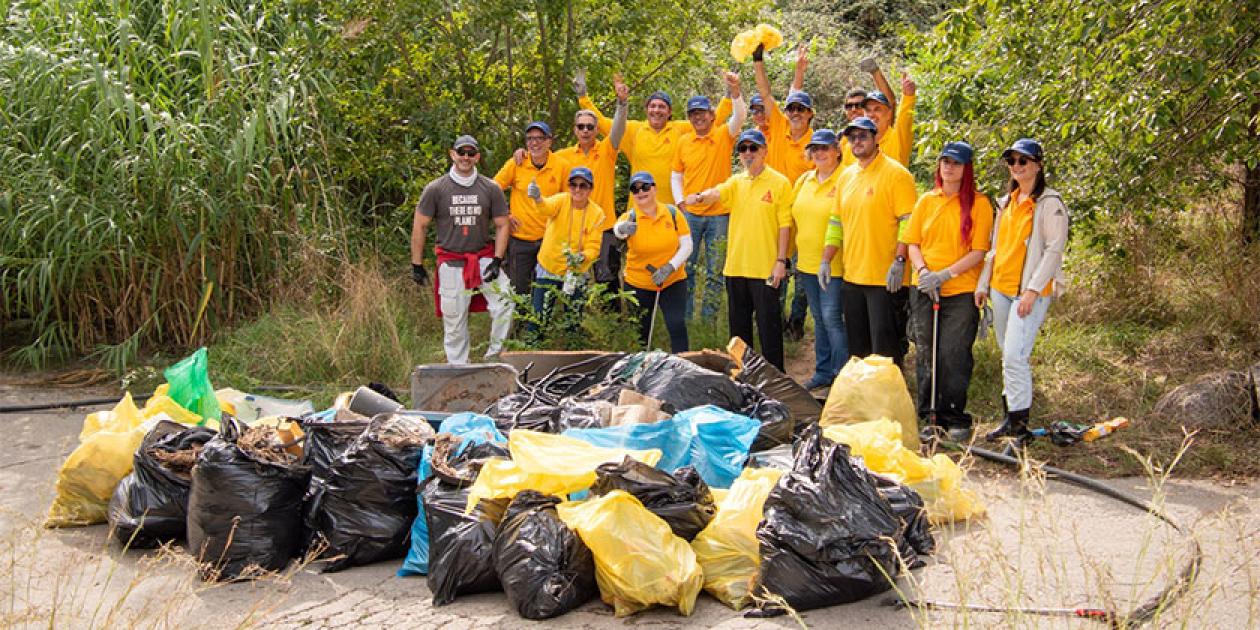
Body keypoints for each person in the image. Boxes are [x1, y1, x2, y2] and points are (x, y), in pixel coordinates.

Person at [978, 138, 1070, 443]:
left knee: (1016, 356)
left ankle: (1021, 427)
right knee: (1008, 355)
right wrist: (983, 284)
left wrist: (1032, 290)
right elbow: (995, 247)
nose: (1017, 167)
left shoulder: (1050, 204)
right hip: (1001, 288)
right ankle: (1010, 418)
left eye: (1024, 161)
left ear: (1038, 165)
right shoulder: (1007, 203)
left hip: (1028, 292)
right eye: (1012, 161)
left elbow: (1054, 251)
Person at [904, 142, 994, 442]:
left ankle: (954, 414)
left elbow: (980, 250)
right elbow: (913, 241)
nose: (948, 167)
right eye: (944, 161)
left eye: (955, 163)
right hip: (925, 288)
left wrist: (947, 274)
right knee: (927, 351)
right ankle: (929, 416)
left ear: (966, 168)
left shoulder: (979, 204)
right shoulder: (927, 200)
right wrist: (924, 272)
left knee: (953, 353)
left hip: (960, 290)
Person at [683, 129, 793, 370]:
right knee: (739, 334)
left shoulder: (780, 183)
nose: (748, 153)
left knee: (769, 329)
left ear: (764, 151)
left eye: (753, 148)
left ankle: (776, 378)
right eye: (743, 149)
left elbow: (785, 225)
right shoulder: (737, 181)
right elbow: (717, 192)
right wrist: (700, 196)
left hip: (765, 268)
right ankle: (744, 377)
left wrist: (781, 261)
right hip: (735, 269)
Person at [819, 117, 916, 366]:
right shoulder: (846, 177)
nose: (857, 142)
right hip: (853, 277)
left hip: (885, 279)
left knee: (885, 352)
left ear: (876, 138)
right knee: (858, 350)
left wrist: (899, 259)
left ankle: (887, 403)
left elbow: (908, 222)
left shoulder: (897, 175)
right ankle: (862, 400)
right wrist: (826, 259)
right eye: (852, 137)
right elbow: (836, 222)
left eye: (863, 136)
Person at [411, 135, 514, 364]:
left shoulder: (490, 188)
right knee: (455, 319)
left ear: (477, 156)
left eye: (470, 153)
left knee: (505, 302)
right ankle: (458, 366)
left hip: (484, 256)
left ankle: (495, 357)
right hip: (451, 259)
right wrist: (416, 264)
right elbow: (420, 224)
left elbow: (502, 223)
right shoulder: (436, 189)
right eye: (461, 152)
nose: (465, 157)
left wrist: (498, 259)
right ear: (453, 154)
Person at [670, 73, 747, 320]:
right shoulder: (683, 142)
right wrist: (680, 202)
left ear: (712, 115)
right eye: (693, 114)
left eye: (702, 112)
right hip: (691, 214)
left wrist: (735, 91)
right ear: (689, 118)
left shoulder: (724, 135)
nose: (698, 117)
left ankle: (708, 320)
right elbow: (675, 175)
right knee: (687, 268)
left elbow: (740, 116)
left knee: (715, 270)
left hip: (719, 215)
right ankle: (687, 316)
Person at [752, 43, 813, 338]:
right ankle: (773, 319)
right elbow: (766, 93)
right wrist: (758, 60)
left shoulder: (817, 144)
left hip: (804, 216)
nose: (795, 113)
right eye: (792, 109)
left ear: (810, 114)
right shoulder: (777, 126)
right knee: (778, 265)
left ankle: (797, 321)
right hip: (775, 210)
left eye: (801, 109)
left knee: (803, 272)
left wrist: (800, 72)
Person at [549, 72, 629, 289]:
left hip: (604, 226)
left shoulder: (606, 150)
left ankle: (611, 322)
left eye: (590, 126)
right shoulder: (562, 156)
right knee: (574, 283)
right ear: (575, 129)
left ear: (596, 130)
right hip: (573, 226)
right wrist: (521, 153)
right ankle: (574, 322)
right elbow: (537, 162)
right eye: (581, 126)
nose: (585, 130)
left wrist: (622, 104)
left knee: (608, 280)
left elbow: (619, 128)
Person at [789, 129, 849, 392]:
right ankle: (823, 370)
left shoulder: (846, 178)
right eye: (815, 149)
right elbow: (791, 219)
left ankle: (841, 375)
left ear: (837, 150)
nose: (820, 153)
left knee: (832, 318)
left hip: (835, 264)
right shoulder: (804, 180)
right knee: (818, 318)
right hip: (807, 263)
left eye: (825, 148)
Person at [613, 172, 693, 352]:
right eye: (635, 189)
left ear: (654, 188)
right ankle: (640, 371)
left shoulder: (672, 213)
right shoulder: (630, 217)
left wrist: (670, 267)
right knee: (640, 332)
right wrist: (623, 229)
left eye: (645, 187)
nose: (641, 192)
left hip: (672, 280)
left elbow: (687, 245)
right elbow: (618, 230)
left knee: (676, 324)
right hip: (638, 283)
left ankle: (683, 367)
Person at [579, 74, 688, 204]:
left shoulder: (681, 129)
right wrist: (583, 97)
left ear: (669, 112)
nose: (656, 110)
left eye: (662, 106)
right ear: (646, 110)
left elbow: (710, 123)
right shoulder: (634, 130)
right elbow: (601, 122)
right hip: (639, 207)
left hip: (672, 208)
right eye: (652, 106)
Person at [524, 166, 607, 337]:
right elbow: (545, 208)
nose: (577, 189)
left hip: (576, 271)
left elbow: (594, 246)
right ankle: (533, 348)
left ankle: (572, 349)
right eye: (573, 185)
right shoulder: (561, 200)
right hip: (549, 266)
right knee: (539, 316)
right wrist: (538, 198)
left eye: (583, 185)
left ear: (590, 189)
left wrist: (583, 257)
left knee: (574, 319)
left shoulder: (597, 213)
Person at [494, 121, 570, 295]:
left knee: (547, 291)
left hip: (549, 240)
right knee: (520, 291)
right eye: (530, 139)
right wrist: (505, 214)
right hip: (520, 239)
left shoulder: (562, 166)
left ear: (549, 141)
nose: (534, 143)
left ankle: (542, 323)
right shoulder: (516, 163)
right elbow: (492, 189)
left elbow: (568, 202)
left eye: (539, 138)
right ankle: (521, 324)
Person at [843, 63, 915, 168]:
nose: (872, 115)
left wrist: (908, 96)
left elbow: (904, 119)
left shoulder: (897, 139)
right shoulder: (851, 145)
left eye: (877, 109)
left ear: (889, 113)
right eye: (868, 110)